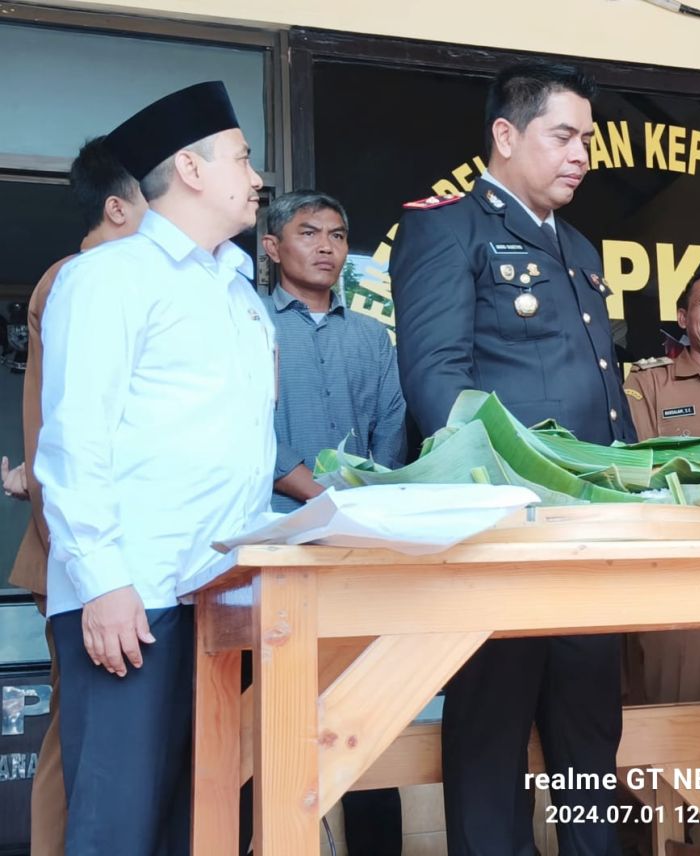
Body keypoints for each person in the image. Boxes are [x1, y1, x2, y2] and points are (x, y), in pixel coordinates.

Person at [390, 61, 635, 855]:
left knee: (589, 738)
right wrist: (500, 503)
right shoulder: (447, 228)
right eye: (562, 135)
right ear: (505, 135)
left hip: (589, 535)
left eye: (587, 140)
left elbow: (603, 393)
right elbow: (437, 385)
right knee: (491, 740)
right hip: (502, 532)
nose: (581, 155)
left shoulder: (583, 248)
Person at [35, 81, 274, 855]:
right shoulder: (109, 277)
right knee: (118, 828)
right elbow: (75, 442)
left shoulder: (238, 290)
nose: (257, 176)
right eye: (242, 157)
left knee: (202, 823)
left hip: (219, 595)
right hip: (132, 601)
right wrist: (103, 581)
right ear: (192, 169)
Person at [4, 136, 147, 856]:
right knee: (82, 741)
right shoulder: (82, 279)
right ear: (118, 208)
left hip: (76, 547)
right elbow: (71, 437)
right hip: (83, 555)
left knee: (83, 735)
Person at [261, 189, 407, 852]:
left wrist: (362, 502)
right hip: (277, 547)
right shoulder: (253, 326)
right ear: (271, 246)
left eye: (339, 235)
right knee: (274, 720)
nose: (326, 246)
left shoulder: (369, 335)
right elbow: (249, 436)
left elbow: (391, 429)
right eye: (308, 232)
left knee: (368, 721)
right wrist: (319, 495)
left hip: (358, 547)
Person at [622, 266, 700, 707]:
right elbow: (637, 470)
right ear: (683, 318)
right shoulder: (648, 382)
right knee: (673, 697)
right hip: (681, 555)